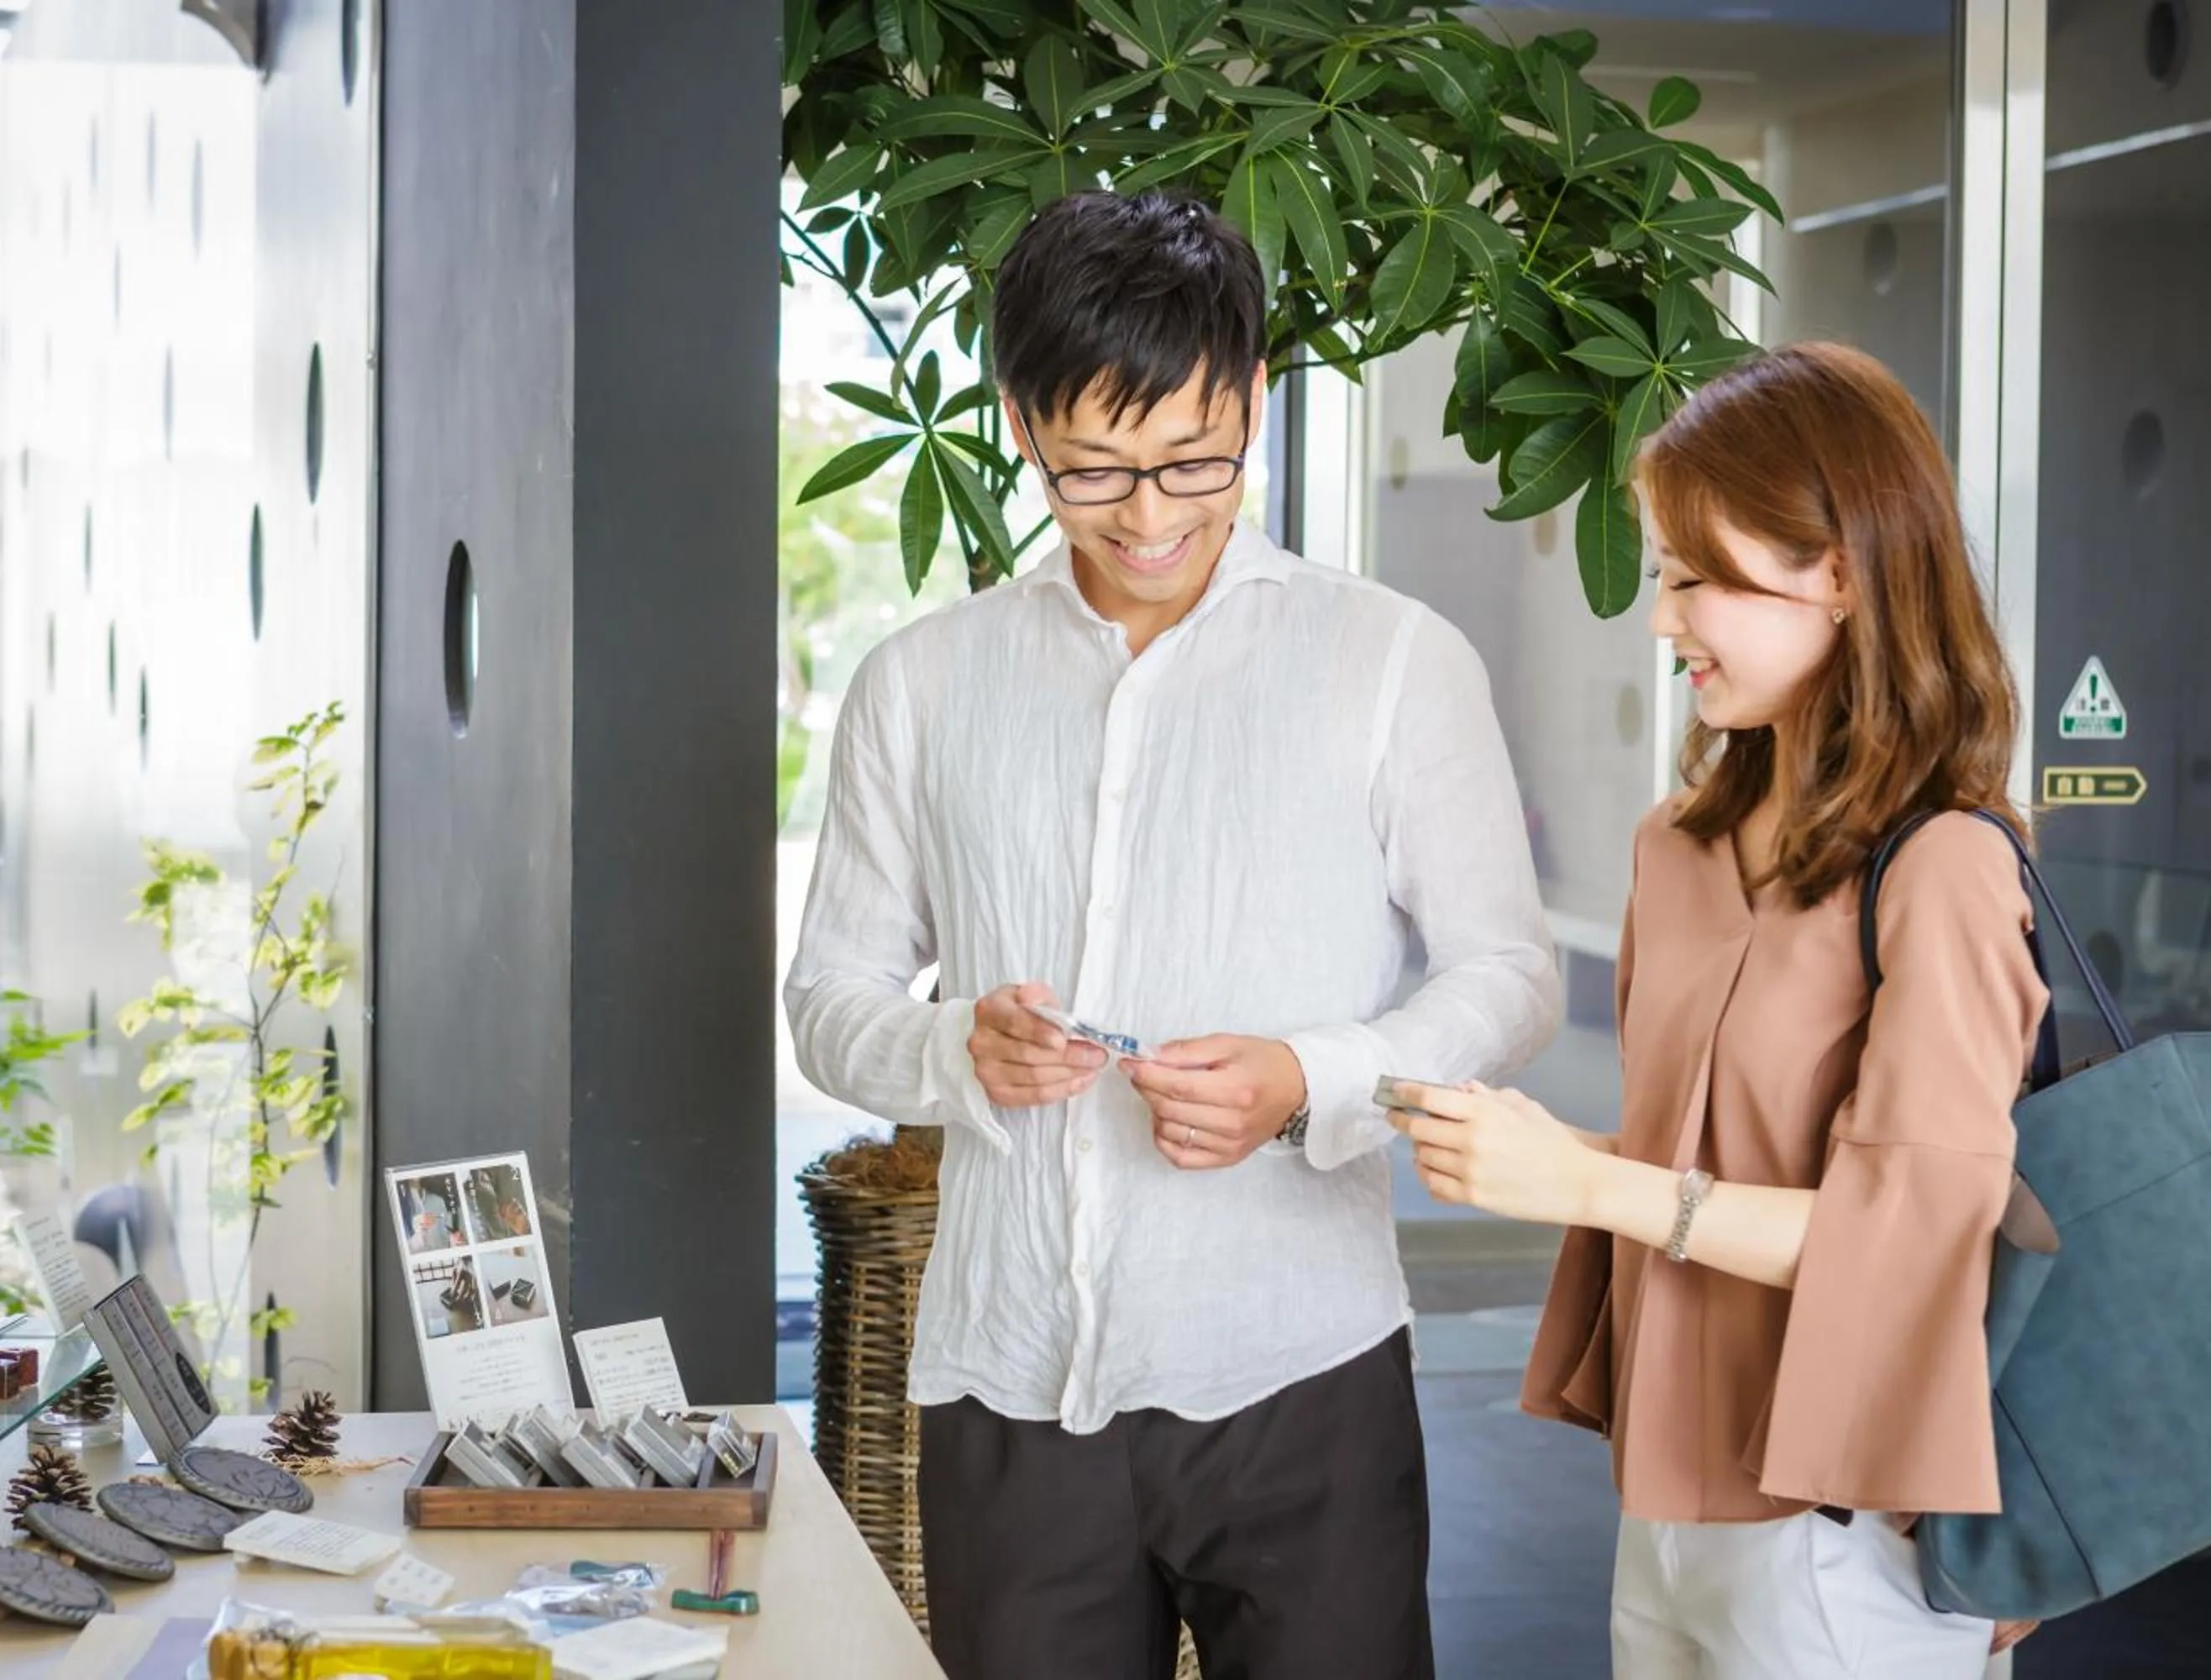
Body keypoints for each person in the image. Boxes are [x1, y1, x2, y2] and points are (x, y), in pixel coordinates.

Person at [784, 189, 1560, 1680]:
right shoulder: (923, 684)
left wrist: (1312, 1077)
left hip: (1299, 1372)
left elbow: (1509, 976)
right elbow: (828, 999)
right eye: (1095, 472)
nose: (1151, 517)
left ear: (1257, 399)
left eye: (1197, 460)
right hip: (1006, 1386)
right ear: (1018, 422)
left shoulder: (1391, 662)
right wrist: (957, 1046)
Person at [1387, 342, 2047, 1678]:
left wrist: (1580, 1181)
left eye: (1695, 577)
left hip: (1855, 1534)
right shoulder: (1676, 851)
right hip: (1665, 1505)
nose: (1661, 618)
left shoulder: (1947, 867)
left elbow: (1912, 1242)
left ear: (1845, 572)